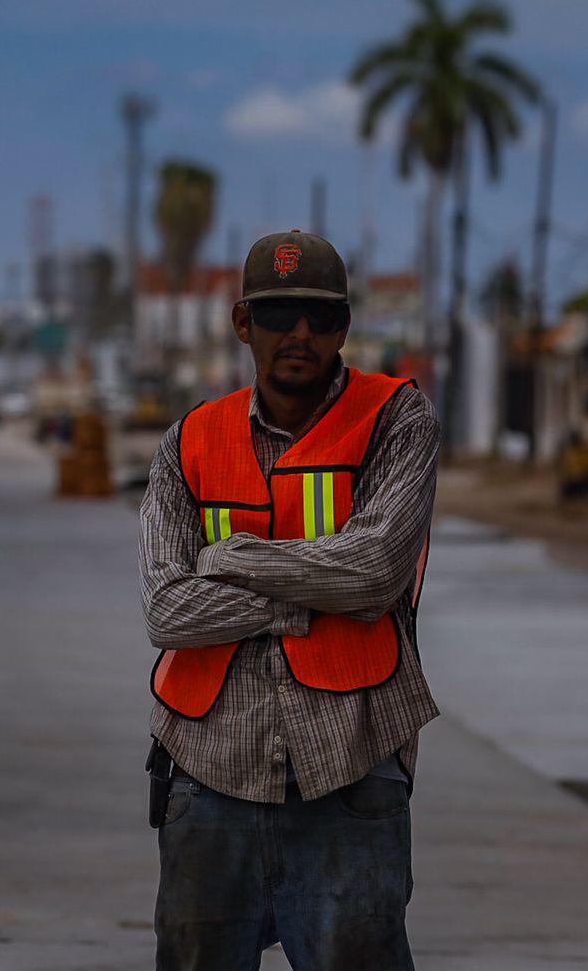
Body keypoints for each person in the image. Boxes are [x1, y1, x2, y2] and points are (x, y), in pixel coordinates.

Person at [139, 229, 440, 970]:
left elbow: (374, 574)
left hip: (351, 771)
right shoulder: (188, 441)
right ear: (244, 324)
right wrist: (304, 602)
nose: (300, 333)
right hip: (208, 770)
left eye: (321, 315)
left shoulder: (397, 420)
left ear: (345, 326)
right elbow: (167, 609)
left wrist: (234, 560)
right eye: (278, 314)